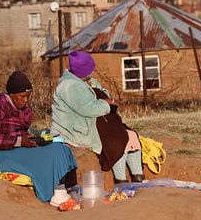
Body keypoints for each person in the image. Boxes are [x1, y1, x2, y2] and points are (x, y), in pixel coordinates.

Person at [0, 71, 77, 207]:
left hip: (18, 150)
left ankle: (69, 188)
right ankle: (56, 192)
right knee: (52, 154)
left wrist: (27, 137)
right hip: (0, 155)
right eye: (23, 96)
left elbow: (18, 132)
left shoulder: (23, 108)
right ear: (11, 94)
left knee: (60, 147)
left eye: (28, 96)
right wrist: (19, 141)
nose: (26, 100)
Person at [50, 50, 145, 183]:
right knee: (117, 141)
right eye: (90, 69)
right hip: (77, 131)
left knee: (131, 136)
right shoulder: (69, 86)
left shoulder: (86, 80)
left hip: (93, 123)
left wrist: (104, 97)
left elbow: (103, 94)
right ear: (83, 71)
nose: (92, 72)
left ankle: (138, 178)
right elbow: (89, 109)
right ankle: (121, 181)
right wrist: (107, 103)